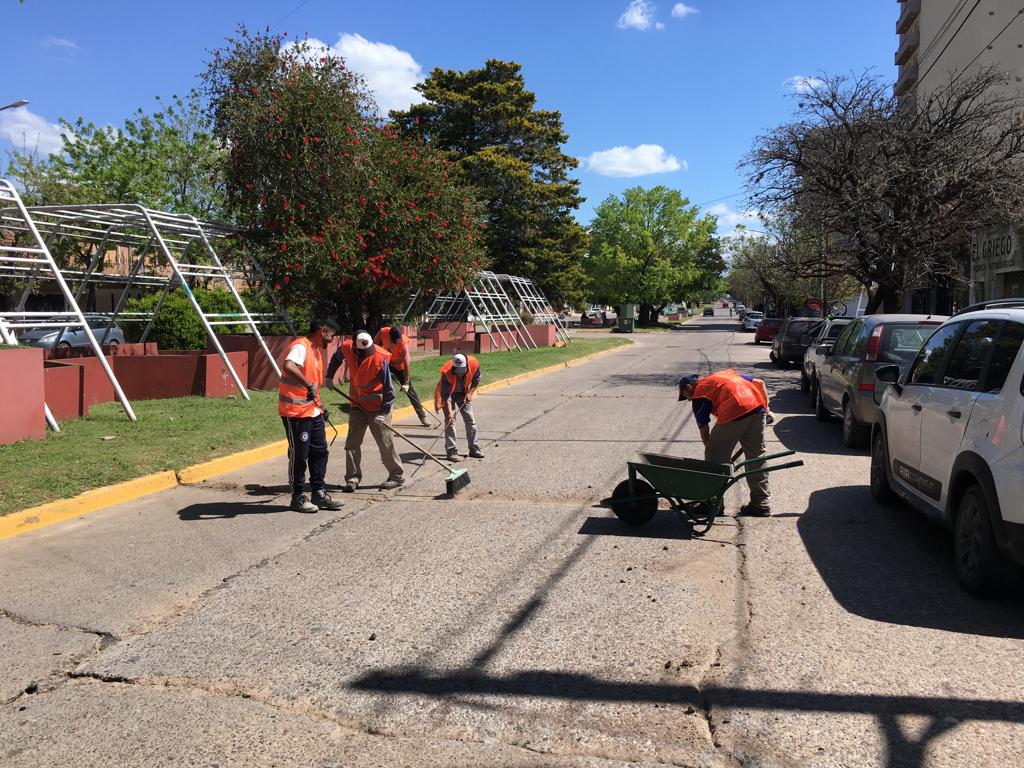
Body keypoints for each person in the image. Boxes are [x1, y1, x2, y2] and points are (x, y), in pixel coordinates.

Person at [677, 369, 774, 516]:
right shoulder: (724, 376)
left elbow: (704, 431)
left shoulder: (700, 393)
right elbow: (760, 383)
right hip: (757, 407)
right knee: (756, 456)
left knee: (713, 455)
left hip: (735, 410)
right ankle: (761, 503)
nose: (690, 400)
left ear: (689, 388)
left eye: (686, 397)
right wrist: (766, 410)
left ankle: (713, 504)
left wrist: (717, 454)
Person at [279, 317, 344, 513]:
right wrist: (307, 384)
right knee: (300, 454)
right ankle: (297, 496)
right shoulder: (301, 346)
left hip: (312, 411)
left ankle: (319, 492)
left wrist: (320, 405)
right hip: (296, 413)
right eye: (331, 335)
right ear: (322, 330)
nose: (332, 340)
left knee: (320, 451)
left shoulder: (315, 351)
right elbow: (289, 366)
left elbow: (314, 386)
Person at [326, 331, 405, 492]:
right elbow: (336, 358)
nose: (366, 353)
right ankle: (352, 478)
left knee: (385, 442)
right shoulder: (347, 347)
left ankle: (397, 476)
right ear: (355, 344)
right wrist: (329, 376)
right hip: (357, 405)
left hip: (377, 408)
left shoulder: (380, 357)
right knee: (352, 443)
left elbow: (390, 390)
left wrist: (384, 413)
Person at [375, 325, 431, 427]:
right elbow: (375, 345)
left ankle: (423, 417)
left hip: (400, 367)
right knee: (383, 388)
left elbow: (406, 364)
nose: (397, 342)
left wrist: (406, 382)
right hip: (387, 363)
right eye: (395, 340)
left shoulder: (403, 344)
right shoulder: (383, 332)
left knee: (410, 391)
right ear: (390, 336)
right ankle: (382, 415)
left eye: (398, 340)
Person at [435, 353, 484, 461]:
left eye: (461, 372)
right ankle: (451, 451)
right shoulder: (446, 372)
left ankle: (474, 448)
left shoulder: (474, 364)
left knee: (470, 420)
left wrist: (470, 393)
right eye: (457, 372)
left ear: (466, 366)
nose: (459, 375)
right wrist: (449, 412)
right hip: (449, 395)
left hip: (464, 393)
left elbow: (476, 380)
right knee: (450, 421)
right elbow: (446, 396)